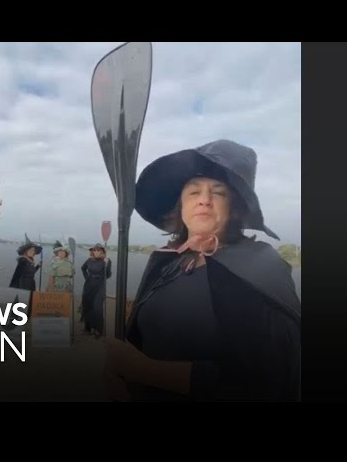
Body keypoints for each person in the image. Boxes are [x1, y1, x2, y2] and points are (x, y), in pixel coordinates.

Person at [103, 139, 301, 401]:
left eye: (218, 193)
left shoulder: (261, 266)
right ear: (181, 207)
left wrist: (144, 370)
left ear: (234, 209)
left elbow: (275, 375)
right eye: (194, 193)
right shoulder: (166, 264)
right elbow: (137, 344)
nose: (204, 200)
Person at [80, 244, 112, 337]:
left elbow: (108, 275)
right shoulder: (89, 260)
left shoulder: (107, 260)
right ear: (92, 251)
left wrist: (106, 265)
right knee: (87, 305)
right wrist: (87, 278)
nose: (97, 252)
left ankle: (98, 330)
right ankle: (88, 328)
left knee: (97, 308)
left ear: (102, 251)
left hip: (100, 286)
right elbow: (83, 268)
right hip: (89, 285)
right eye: (95, 250)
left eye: (99, 250)